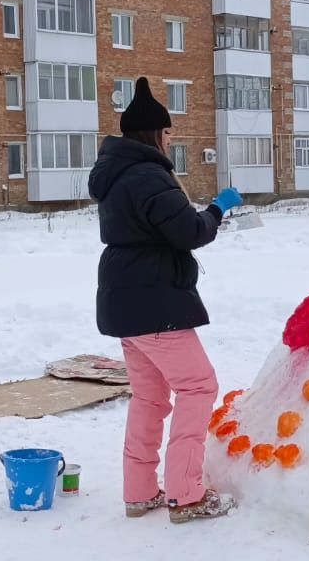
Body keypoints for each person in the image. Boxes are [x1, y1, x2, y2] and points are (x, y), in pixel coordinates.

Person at [87, 78, 243, 524]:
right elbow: (189, 232)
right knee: (198, 386)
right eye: (169, 134)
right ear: (154, 134)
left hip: (125, 300)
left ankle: (139, 493)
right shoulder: (148, 175)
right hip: (154, 301)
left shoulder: (116, 174)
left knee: (150, 397)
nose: (171, 142)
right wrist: (217, 209)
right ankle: (187, 494)